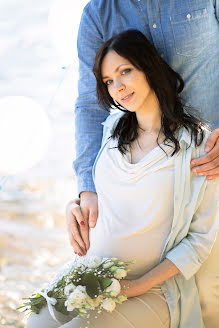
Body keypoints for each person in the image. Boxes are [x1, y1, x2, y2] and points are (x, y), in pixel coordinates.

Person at [26, 29, 219, 328]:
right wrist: (74, 205)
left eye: (125, 71)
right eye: (108, 81)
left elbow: (199, 241)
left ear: (149, 67)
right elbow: (107, 196)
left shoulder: (197, 144)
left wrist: (137, 286)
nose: (118, 87)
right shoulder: (112, 127)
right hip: (91, 273)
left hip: (151, 290)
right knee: (36, 322)